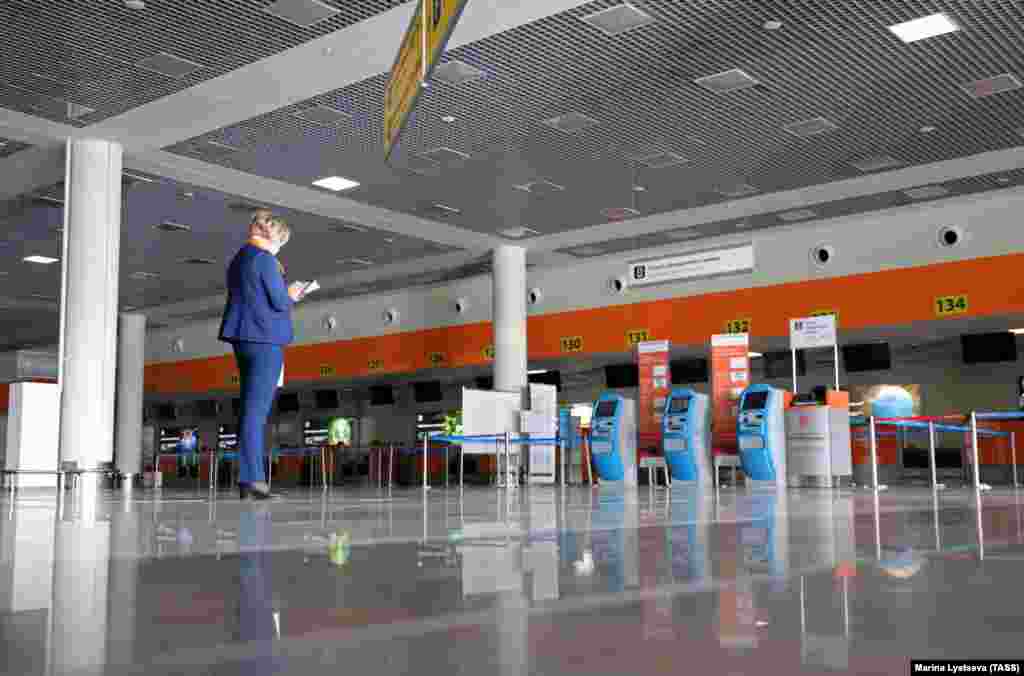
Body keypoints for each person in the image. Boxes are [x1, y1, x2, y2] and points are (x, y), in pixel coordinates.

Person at [219, 210, 309, 500]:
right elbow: (280, 301)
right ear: (275, 237)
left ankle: (249, 478)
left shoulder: (240, 258)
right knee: (256, 412)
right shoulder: (266, 260)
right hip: (265, 339)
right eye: (281, 242)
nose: (280, 247)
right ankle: (253, 480)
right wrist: (292, 293)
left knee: (248, 409)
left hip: (242, 336)